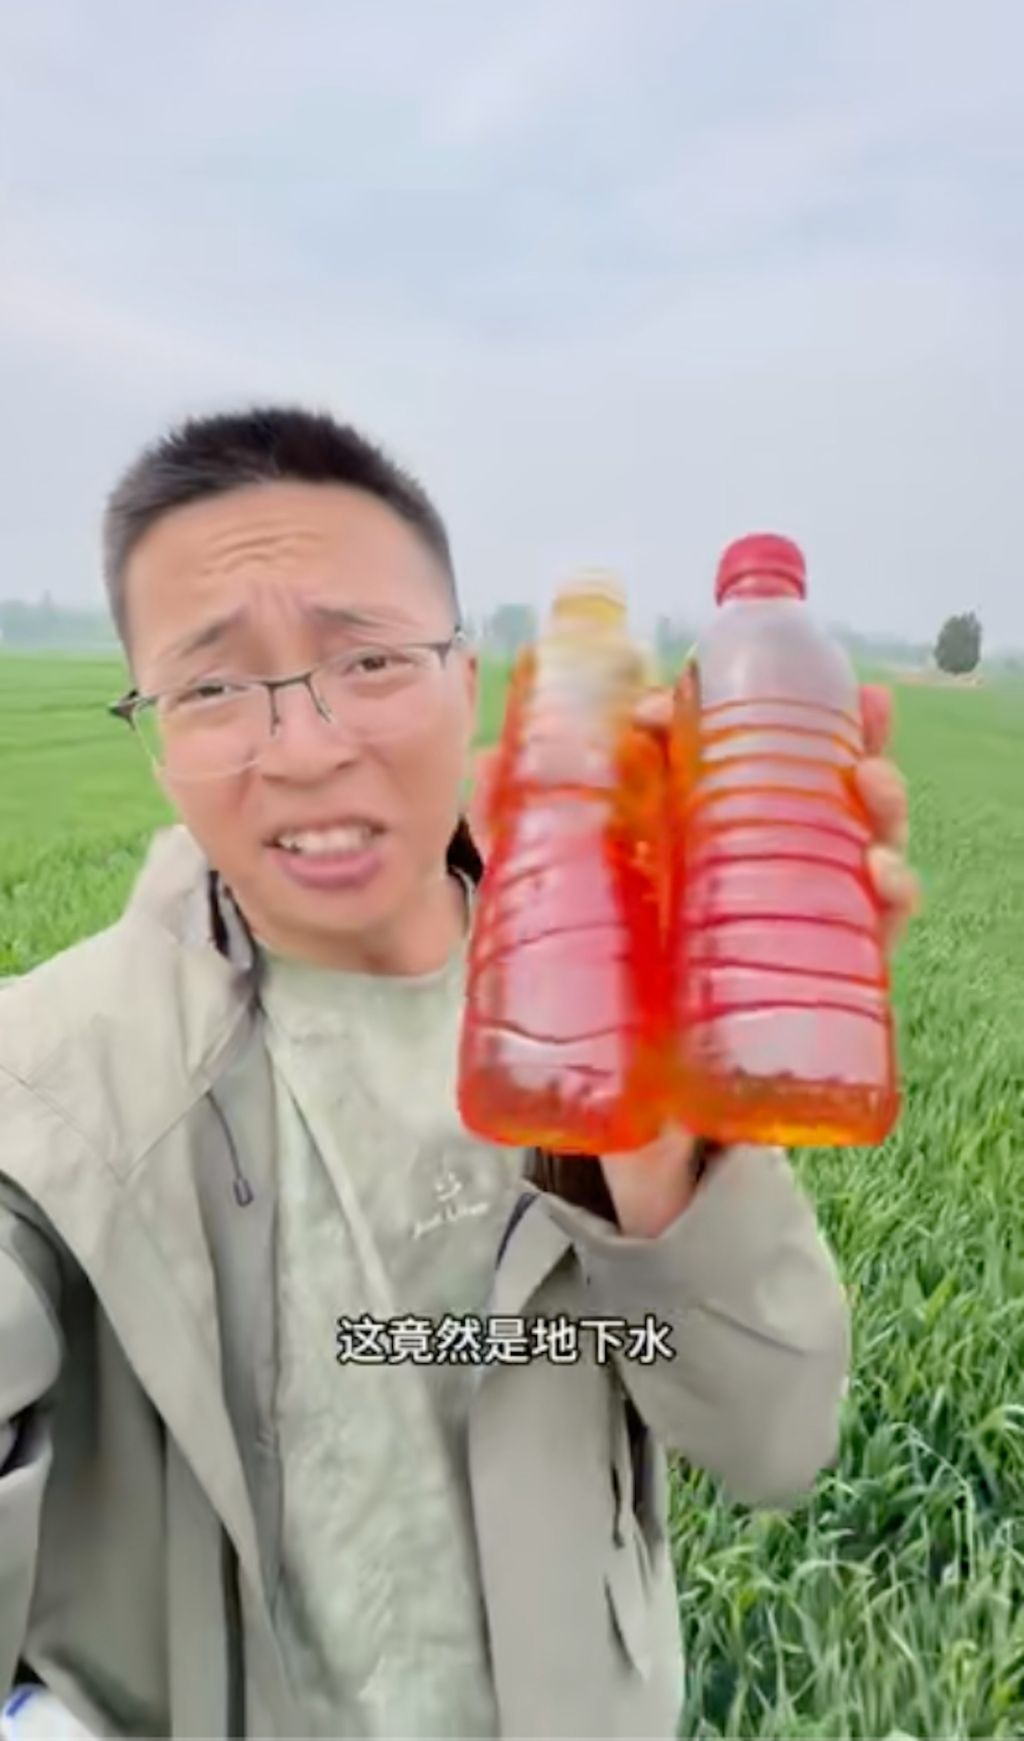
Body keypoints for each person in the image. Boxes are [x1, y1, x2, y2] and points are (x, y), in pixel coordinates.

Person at [0, 407, 919, 1740]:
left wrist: (660, 1141)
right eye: (211, 688)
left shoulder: (602, 1018)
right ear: (151, 724)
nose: (304, 747)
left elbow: (776, 1444)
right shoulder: (47, 1080)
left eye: (368, 659)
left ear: (469, 677)